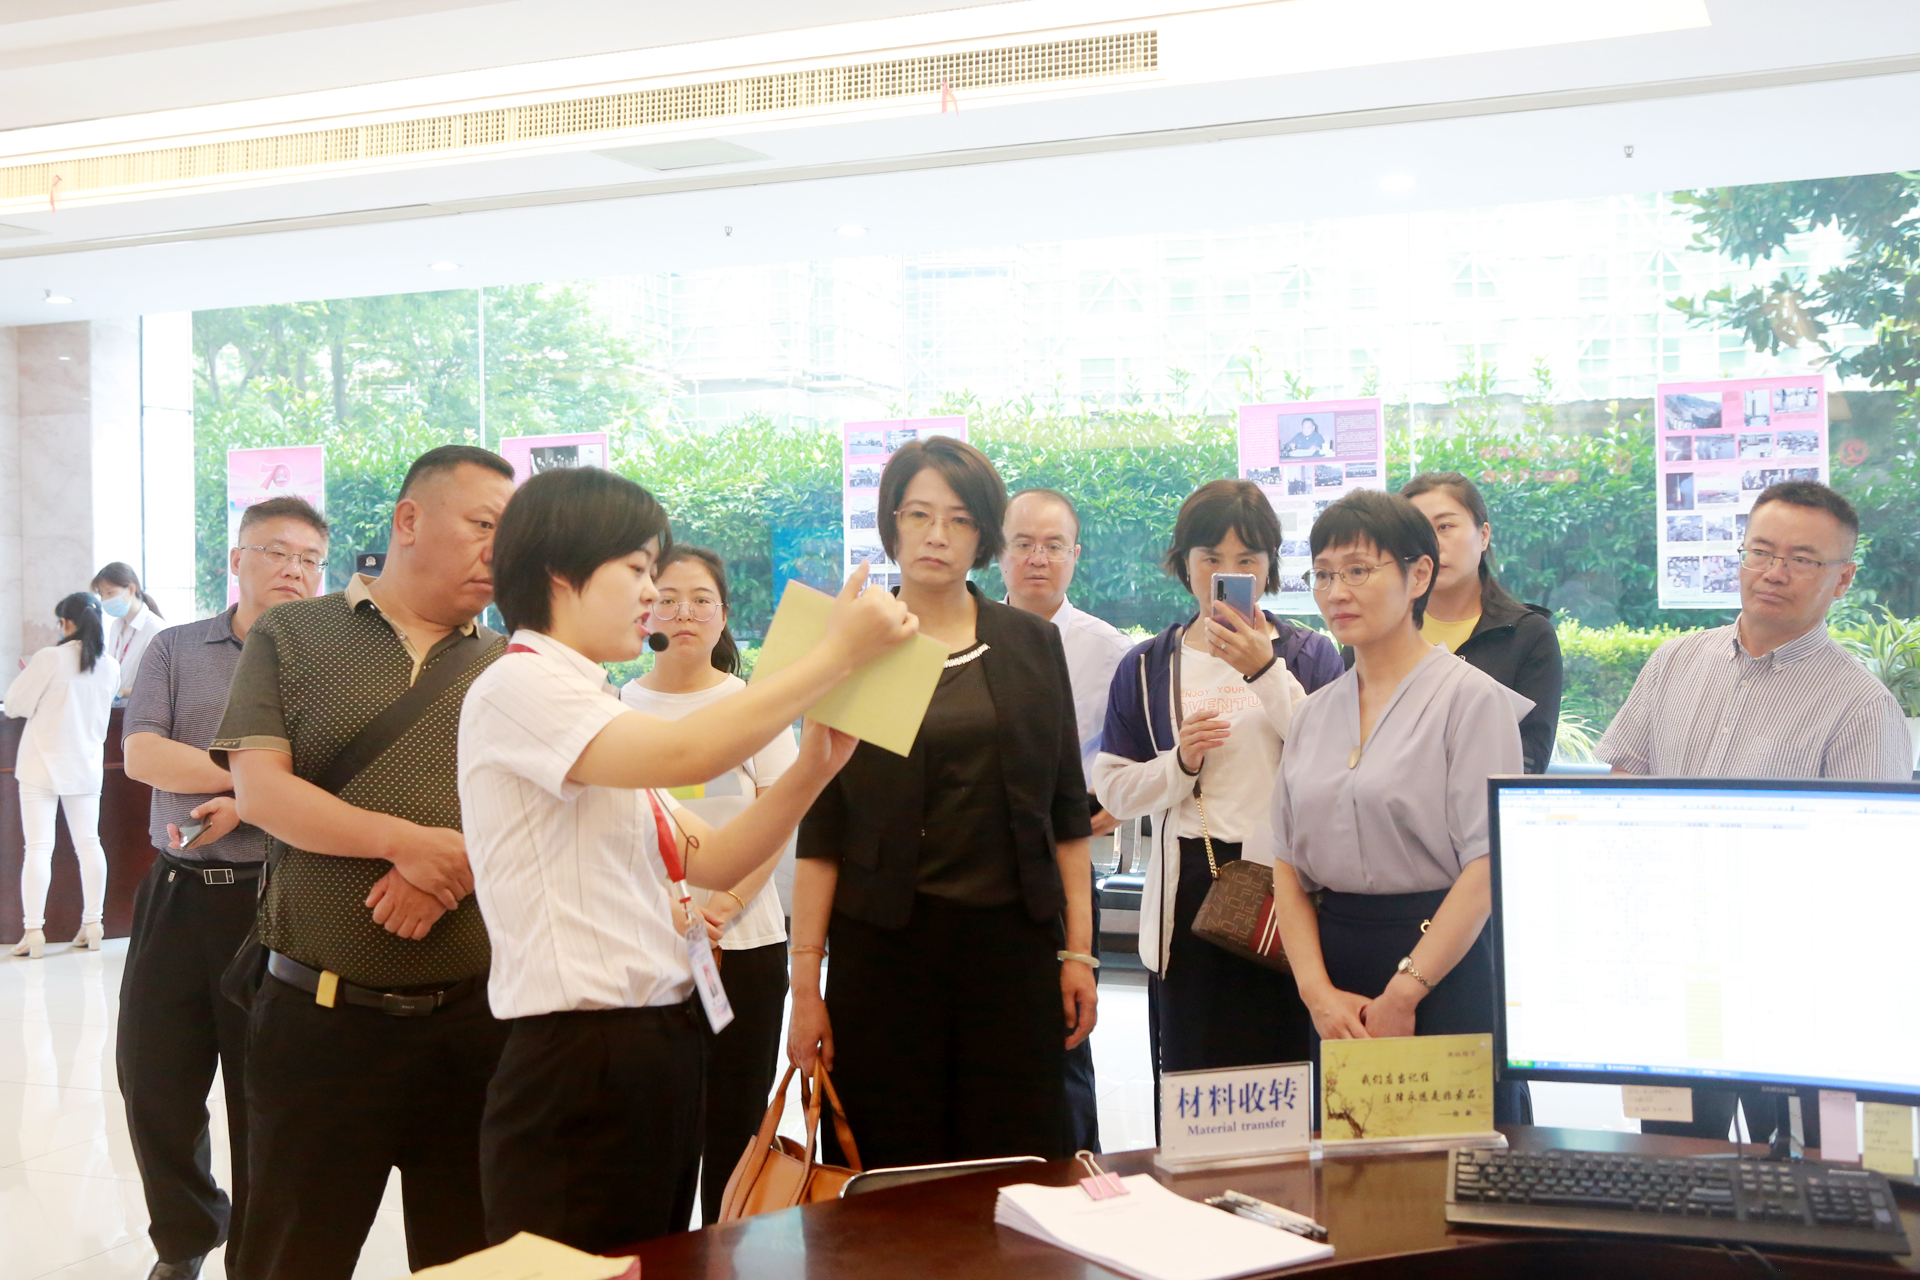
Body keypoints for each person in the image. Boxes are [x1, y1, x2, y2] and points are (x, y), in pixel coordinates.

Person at [462, 469, 913, 1251]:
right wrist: (837, 651)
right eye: (637, 569)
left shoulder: (591, 705)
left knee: (653, 1255)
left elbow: (716, 857)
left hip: (650, 1044)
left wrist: (815, 765)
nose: (652, 594)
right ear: (560, 571)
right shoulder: (519, 684)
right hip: (579, 1056)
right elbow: (687, 750)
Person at [211, 445, 517, 1280]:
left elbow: (546, 819)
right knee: (292, 1255)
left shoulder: (509, 665)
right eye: (483, 525)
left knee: (472, 1261)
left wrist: (452, 871)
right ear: (409, 521)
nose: (498, 551)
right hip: (320, 1024)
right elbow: (262, 792)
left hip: (476, 1026)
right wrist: (404, 842)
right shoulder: (292, 634)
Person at [788, 436, 1097, 1169]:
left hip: (1011, 951)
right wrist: (804, 987)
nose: (936, 535)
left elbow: (1065, 813)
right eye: (919, 515)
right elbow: (822, 828)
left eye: (959, 520)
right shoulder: (852, 645)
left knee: (1015, 1161)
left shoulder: (1030, 643)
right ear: (891, 524)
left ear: (983, 535)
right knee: (889, 1165)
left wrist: (1080, 951)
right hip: (885, 954)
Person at [1597, 480, 1909, 1147]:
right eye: (1761, 551)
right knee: (1673, 1154)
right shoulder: (1675, 661)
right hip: (1676, 971)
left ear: (1843, 579)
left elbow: (1864, 871)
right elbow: (1624, 794)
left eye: (1802, 559)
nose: (1774, 572)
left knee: (1806, 1162)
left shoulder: (1861, 706)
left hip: (1793, 987)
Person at [117, 496, 330, 1280]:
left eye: (310, 559)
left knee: (262, 1095)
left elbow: (334, 773)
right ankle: (185, 1237)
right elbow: (143, 754)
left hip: (278, 898)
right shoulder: (175, 647)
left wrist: (248, 801)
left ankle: (257, 1255)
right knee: (153, 1083)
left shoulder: (328, 665)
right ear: (237, 559)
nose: (294, 569)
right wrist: (252, 781)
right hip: (175, 894)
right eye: (277, 551)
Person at [1092, 480, 1341, 1095]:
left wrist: (1263, 670)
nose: (1227, 574)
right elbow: (1114, 791)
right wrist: (1180, 764)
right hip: (1189, 889)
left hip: (1288, 892)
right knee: (1194, 1083)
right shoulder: (1148, 664)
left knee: (1286, 1076)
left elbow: (1335, 765)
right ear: (1184, 564)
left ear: (1270, 567)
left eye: (1247, 559)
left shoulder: (1309, 655)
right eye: (1210, 558)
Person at [1269, 490, 1526, 1082]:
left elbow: (1488, 863)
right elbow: (1286, 863)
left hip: (1442, 967)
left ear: (1419, 575)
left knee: (1444, 1142)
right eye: (1323, 574)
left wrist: (1405, 993)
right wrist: (1316, 993)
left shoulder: (1471, 700)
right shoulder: (1312, 713)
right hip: (1335, 982)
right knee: (1345, 1142)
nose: (1336, 592)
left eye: (1358, 570)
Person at [618, 545, 800, 1226]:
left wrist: (722, 907)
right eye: (667, 599)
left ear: (724, 615)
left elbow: (779, 814)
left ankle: (725, 1258)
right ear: (645, 610)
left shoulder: (752, 706)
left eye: (701, 601)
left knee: (735, 1128)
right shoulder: (616, 707)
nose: (684, 614)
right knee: (656, 1132)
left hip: (744, 946)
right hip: (648, 948)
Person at [997, 486, 1133, 1152]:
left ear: (1076, 555)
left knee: (1065, 1041)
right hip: (982, 871)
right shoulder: (963, 636)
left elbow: (1135, 765)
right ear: (999, 553)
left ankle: (1076, 1174)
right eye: (1023, 544)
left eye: (1053, 545)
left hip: (1063, 873)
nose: (1037, 558)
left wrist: (1095, 817)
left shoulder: (1109, 651)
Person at [1401, 472, 1562, 774]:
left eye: (1445, 527)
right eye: (1417, 532)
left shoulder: (1527, 635)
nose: (1432, 545)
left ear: (1483, 535)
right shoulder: (1381, 632)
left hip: (1483, 802)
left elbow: (1530, 760)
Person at [5, 593, 119, 958]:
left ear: (67, 623)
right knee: (90, 844)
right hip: (85, 765)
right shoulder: (110, 665)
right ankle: (93, 924)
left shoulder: (50, 658)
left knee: (39, 848)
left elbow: (14, 704)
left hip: (41, 765)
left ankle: (34, 932)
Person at [93, 561, 167, 701]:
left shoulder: (156, 629)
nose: (105, 600)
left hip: (141, 708)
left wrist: (119, 693)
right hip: (116, 708)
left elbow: (160, 685)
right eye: (102, 595)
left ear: (131, 590)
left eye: (110, 593)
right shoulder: (116, 625)